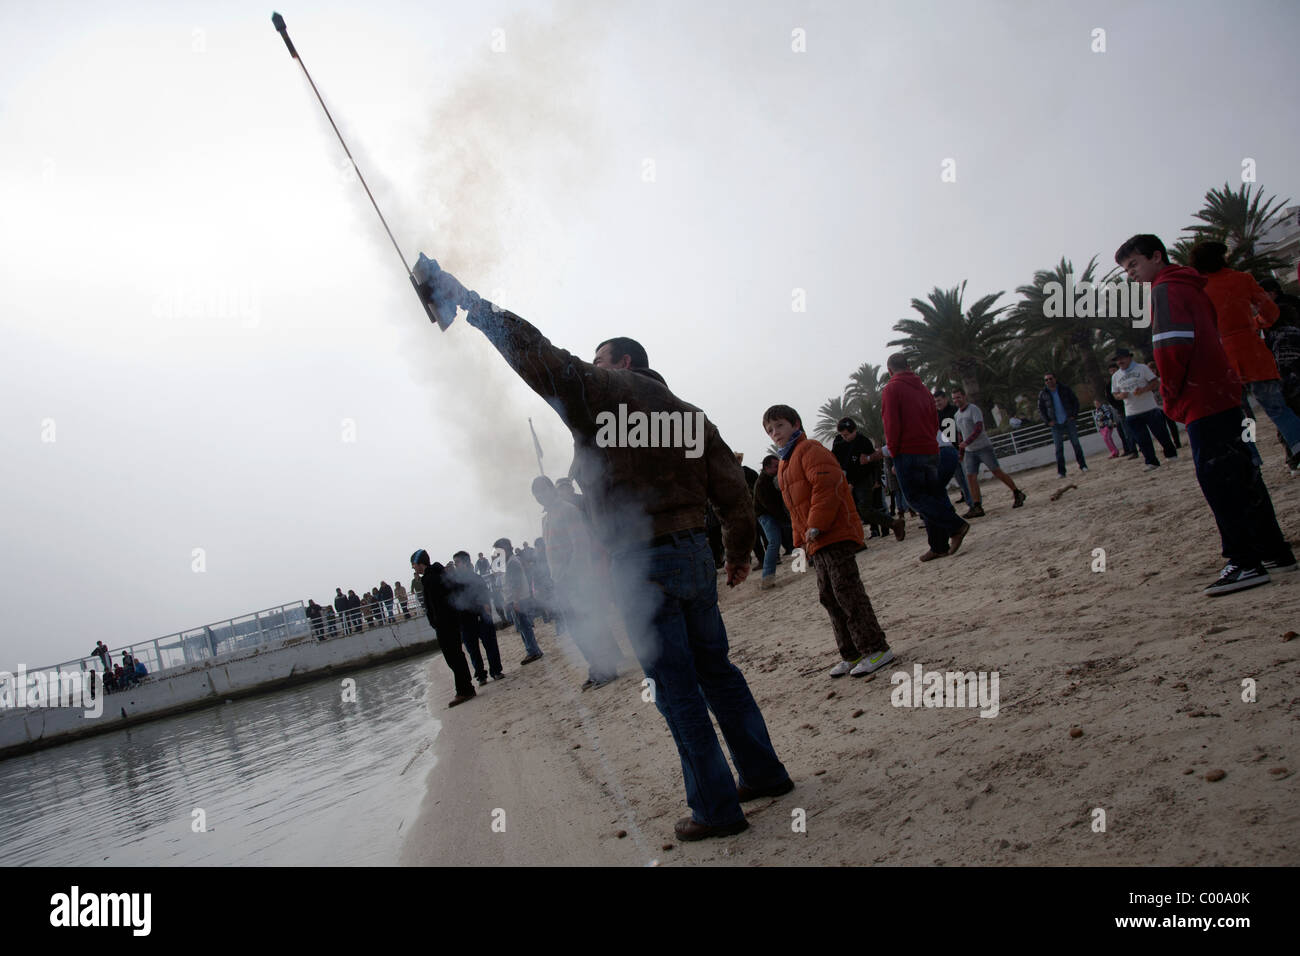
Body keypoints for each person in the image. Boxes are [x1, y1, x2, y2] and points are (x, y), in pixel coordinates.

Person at [415, 257, 790, 841]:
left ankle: (717, 808)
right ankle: (764, 774)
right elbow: (734, 495)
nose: (590, 365)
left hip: (644, 560)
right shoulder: (690, 416)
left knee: (676, 686)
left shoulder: (607, 393)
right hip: (695, 553)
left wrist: (467, 303)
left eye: (599, 358)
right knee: (718, 669)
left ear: (624, 362)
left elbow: (536, 354)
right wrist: (738, 553)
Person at [1115, 233, 1295, 594]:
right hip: (1222, 387)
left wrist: (1170, 391)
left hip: (1201, 394)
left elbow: (1171, 346)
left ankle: (1245, 562)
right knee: (1243, 473)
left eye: (1134, 264)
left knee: (1217, 478)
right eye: (1125, 269)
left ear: (1156, 256)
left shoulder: (1166, 290)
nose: (1131, 274)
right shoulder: (1195, 285)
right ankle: (1273, 550)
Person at [765, 405, 895, 678]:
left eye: (779, 425)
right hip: (816, 541)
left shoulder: (810, 449)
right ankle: (851, 653)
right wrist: (800, 541)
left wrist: (816, 525)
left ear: (795, 423)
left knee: (847, 592)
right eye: (769, 429)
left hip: (833, 533)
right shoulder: (785, 463)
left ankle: (876, 649)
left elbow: (827, 486)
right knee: (829, 597)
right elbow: (795, 508)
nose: (775, 433)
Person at [1192, 240, 1300, 473]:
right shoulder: (1242, 279)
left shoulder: (1199, 289)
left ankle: (1252, 460)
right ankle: (1298, 446)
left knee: (1239, 416)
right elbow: (1271, 311)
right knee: (1277, 408)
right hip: (1253, 352)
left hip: (1221, 359)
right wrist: (1256, 323)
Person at [532, 476, 620, 688]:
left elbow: (580, 547)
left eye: (543, 491)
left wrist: (569, 577)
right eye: (536, 495)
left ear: (552, 489)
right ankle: (596, 667)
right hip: (562, 582)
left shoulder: (567, 511)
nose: (541, 497)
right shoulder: (546, 518)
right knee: (577, 629)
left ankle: (607, 669)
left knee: (589, 624)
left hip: (577, 581)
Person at [881, 353, 969, 561]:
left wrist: (894, 453)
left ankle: (956, 526)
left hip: (909, 451)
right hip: (930, 448)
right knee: (930, 495)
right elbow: (933, 419)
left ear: (890, 371)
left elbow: (891, 424)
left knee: (915, 498)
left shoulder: (891, 389)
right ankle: (938, 546)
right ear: (908, 366)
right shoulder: (923, 388)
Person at [411, 549, 477, 706]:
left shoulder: (432, 578)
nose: (414, 568)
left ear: (421, 563)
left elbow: (438, 604)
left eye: (414, 565)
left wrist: (438, 622)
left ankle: (464, 690)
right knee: (455, 656)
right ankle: (465, 688)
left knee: (453, 657)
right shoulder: (435, 575)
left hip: (445, 624)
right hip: (447, 622)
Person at [951, 387, 1026, 516]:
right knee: (970, 477)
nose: (956, 400)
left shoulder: (973, 409)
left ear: (964, 396)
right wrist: (961, 451)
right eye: (954, 398)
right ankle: (977, 505)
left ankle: (1016, 492)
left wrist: (967, 442)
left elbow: (979, 428)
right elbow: (959, 434)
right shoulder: (957, 415)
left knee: (996, 471)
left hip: (983, 447)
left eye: (958, 397)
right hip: (970, 451)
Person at [831, 417, 904, 541]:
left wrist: (875, 480)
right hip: (846, 480)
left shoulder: (863, 442)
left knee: (865, 509)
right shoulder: (839, 443)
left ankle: (893, 523)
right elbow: (834, 459)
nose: (845, 437)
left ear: (854, 430)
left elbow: (870, 464)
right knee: (852, 511)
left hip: (863, 479)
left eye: (847, 435)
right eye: (842, 435)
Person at [1110, 348, 1177, 470]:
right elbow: (1115, 394)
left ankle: (1171, 454)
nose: (1120, 361)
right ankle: (1151, 462)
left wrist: (1144, 390)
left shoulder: (1142, 368)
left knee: (1161, 434)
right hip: (1131, 412)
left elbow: (1155, 382)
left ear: (1129, 358)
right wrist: (1121, 396)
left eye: (1122, 358)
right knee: (1142, 440)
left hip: (1149, 408)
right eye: (1117, 360)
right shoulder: (1116, 376)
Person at [451, 551, 505, 683]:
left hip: (481, 616)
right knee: (473, 650)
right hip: (465, 620)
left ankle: (496, 671)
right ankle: (481, 675)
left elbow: (485, 594)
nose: (456, 565)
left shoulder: (476, 578)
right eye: (455, 563)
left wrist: (486, 606)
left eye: (457, 562)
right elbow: (453, 600)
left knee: (490, 645)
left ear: (465, 563)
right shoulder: (455, 582)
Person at [496, 537, 543, 664]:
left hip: (519, 600)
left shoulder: (512, 563)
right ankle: (532, 650)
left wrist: (515, 601)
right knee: (522, 627)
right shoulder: (509, 562)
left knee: (524, 626)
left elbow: (516, 584)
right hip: (516, 600)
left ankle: (533, 651)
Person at [1037, 373, 1088, 477]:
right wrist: (1048, 421)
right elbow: (1041, 410)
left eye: (1050, 379)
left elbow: (1075, 401)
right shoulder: (1043, 393)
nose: (1048, 381)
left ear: (1055, 379)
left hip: (1068, 421)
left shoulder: (1065, 389)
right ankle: (1061, 472)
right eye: (1046, 380)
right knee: (1059, 448)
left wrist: (1074, 415)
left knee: (1076, 444)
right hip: (1055, 424)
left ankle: (1083, 466)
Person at [932, 390, 974, 509]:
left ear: (945, 399)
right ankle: (969, 501)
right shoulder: (935, 415)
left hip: (960, 448)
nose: (937, 403)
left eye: (939, 400)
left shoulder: (955, 411)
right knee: (960, 479)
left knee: (967, 477)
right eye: (935, 402)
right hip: (948, 451)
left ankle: (973, 502)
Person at [752, 454, 790, 588]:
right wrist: (785, 518)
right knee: (774, 542)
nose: (778, 467)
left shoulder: (770, 479)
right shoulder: (762, 483)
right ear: (767, 468)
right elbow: (770, 506)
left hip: (772, 513)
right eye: (776, 466)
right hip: (765, 515)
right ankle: (767, 577)